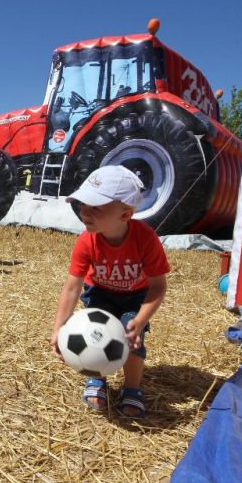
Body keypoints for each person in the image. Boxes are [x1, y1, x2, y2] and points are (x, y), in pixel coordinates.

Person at [50, 165, 169, 419]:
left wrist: (139, 320)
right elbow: (73, 286)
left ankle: (132, 389)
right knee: (95, 336)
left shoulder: (146, 239)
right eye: (83, 204)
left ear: (125, 215)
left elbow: (158, 286)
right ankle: (97, 379)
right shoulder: (86, 240)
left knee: (131, 340)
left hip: (135, 297)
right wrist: (58, 328)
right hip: (99, 293)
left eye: (96, 207)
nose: (85, 212)